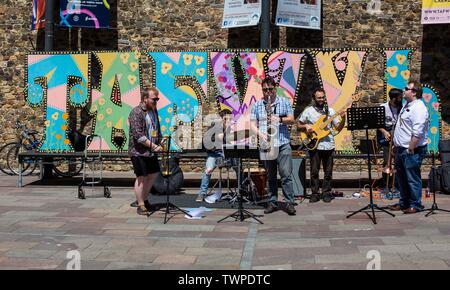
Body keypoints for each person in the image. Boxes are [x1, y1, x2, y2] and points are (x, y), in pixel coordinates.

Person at [250, 76, 296, 215]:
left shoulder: (284, 102)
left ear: (275, 88)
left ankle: (289, 203)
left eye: (270, 89)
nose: (267, 92)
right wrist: (260, 134)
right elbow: (252, 124)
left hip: (282, 143)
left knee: (286, 175)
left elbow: (292, 120)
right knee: (270, 176)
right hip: (267, 144)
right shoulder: (258, 105)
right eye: (265, 89)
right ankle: (272, 202)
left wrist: (279, 119)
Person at [297, 88, 346, 203]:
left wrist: (343, 118)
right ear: (314, 98)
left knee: (328, 172)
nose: (321, 99)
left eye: (323, 97)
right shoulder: (308, 111)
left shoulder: (331, 111)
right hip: (314, 144)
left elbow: (338, 128)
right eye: (319, 97)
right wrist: (306, 127)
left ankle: (326, 192)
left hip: (328, 145)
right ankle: (315, 193)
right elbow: (299, 125)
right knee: (314, 171)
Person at [389, 81, 429, 214]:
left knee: (412, 178)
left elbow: (417, 132)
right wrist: (396, 145)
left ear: (414, 92)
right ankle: (404, 202)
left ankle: (415, 204)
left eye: (406, 89)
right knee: (402, 178)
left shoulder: (419, 108)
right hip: (401, 148)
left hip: (411, 149)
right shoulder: (408, 105)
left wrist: (410, 149)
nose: (403, 90)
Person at [128, 87, 165, 216]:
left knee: (154, 173)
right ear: (145, 98)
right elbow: (138, 135)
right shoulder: (136, 112)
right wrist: (153, 146)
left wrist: (160, 141)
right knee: (141, 178)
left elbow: (156, 128)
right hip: (138, 151)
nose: (156, 101)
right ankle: (141, 205)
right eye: (154, 99)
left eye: (157, 98)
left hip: (150, 151)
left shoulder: (154, 111)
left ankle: (143, 198)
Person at [197, 109, 242, 202]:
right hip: (214, 153)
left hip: (225, 153)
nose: (230, 121)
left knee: (238, 166)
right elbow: (205, 140)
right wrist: (216, 137)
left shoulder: (228, 128)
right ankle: (202, 193)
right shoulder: (214, 126)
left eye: (230, 119)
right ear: (222, 118)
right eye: (227, 119)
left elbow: (227, 142)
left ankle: (243, 189)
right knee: (208, 170)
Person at [378, 88, 403, 195]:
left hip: (398, 136)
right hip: (386, 136)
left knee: (398, 162)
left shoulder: (401, 108)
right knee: (386, 161)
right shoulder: (382, 108)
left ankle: (397, 185)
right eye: (399, 98)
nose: (401, 99)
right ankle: (386, 185)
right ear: (393, 98)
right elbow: (376, 123)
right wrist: (384, 131)